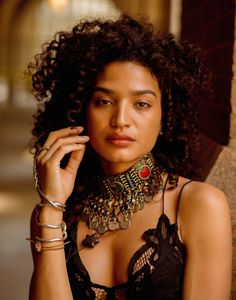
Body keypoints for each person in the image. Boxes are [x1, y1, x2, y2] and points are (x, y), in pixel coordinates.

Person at [27, 15, 232, 300]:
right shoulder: (54, 211)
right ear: (80, 110)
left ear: (165, 118)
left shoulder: (199, 205)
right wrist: (50, 208)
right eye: (104, 101)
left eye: (142, 104)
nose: (121, 120)